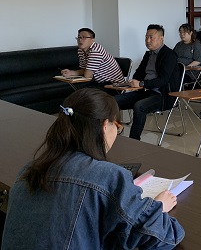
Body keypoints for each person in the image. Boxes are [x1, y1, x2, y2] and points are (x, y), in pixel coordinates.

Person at [1, 88, 185, 249]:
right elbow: (164, 238)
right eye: (117, 126)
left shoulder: (27, 172)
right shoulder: (108, 177)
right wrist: (158, 207)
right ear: (105, 125)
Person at [114, 25, 181, 140]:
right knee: (113, 101)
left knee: (139, 106)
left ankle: (134, 141)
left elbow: (163, 80)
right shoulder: (148, 54)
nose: (148, 40)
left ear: (161, 38)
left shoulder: (169, 55)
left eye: (151, 37)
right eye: (146, 37)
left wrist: (141, 84)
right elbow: (138, 74)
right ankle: (115, 129)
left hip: (162, 95)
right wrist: (133, 81)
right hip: (144, 91)